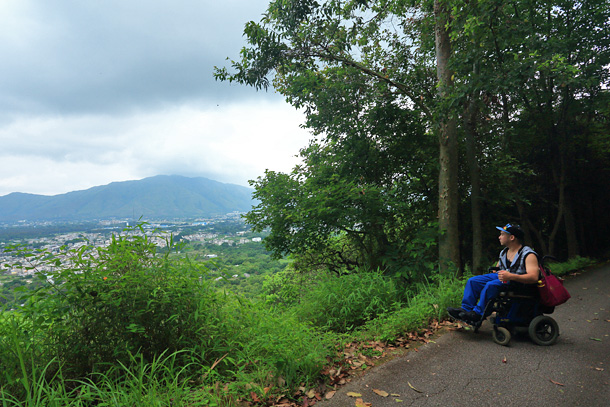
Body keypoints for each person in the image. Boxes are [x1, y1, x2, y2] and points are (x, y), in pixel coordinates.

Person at [447, 223, 540, 323]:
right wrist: (497, 271)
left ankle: (478, 313)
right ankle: (465, 309)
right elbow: (498, 268)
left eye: (502, 234)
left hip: (518, 283)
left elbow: (534, 277)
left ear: (512, 237)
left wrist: (511, 276)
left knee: (491, 285)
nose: (499, 237)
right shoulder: (504, 252)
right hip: (504, 278)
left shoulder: (528, 254)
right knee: (473, 281)